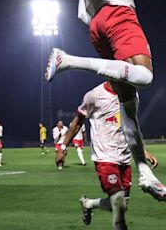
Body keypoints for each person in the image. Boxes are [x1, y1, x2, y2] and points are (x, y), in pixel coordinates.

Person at [45, 0, 166, 202]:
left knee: (128, 112)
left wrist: (100, 22)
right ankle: (67, 60)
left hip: (97, 27)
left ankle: (145, 174)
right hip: (119, 16)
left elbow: (83, 14)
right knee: (144, 76)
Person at [56, 81, 159, 230]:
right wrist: (63, 147)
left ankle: (88, 204)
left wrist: (143, 150)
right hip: (104, 156)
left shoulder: (131, 94)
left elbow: (132, 126)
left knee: (122, 205)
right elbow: (78, 121)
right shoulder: (95, 96)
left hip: (124, 156)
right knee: (118, 202)